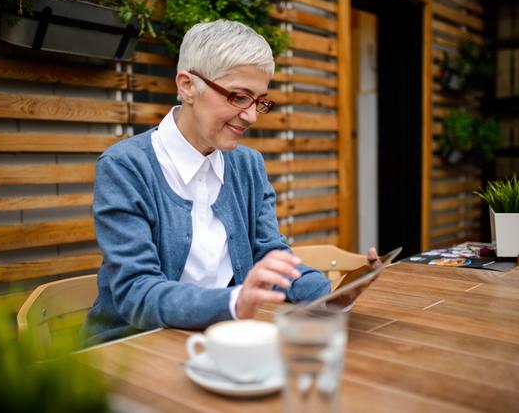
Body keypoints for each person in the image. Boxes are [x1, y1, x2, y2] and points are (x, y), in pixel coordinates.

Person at [81, 20, 379, 346]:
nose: (251, 116)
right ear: (187, 86)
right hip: (128, 348)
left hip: (217, 341)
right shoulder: (125, 167)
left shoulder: (249, 165)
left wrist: (331, 297)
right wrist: (235, 302)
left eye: (260, 101)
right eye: (239, 97)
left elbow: (270, 253)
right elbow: (136, 291)